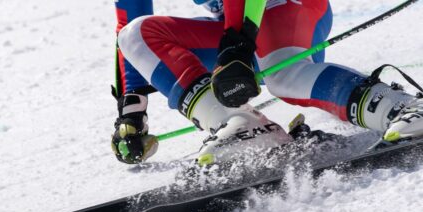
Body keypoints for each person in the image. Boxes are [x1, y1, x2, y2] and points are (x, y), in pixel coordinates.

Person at [110, 0, 423, 166]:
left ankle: (402, 107)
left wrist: (237, 44)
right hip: (235, 23)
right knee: (135, 35)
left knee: (283, 76)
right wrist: (132, 109)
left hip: (284, 6)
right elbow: (130, 13)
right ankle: (242, 126)